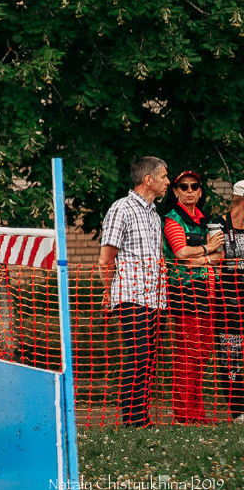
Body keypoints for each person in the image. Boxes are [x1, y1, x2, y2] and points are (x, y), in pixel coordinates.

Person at [98, 156, 170, 427]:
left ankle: (142, 417)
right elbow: (106, 259)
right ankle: (132, 420)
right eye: (163, 176)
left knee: (149, 360)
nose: (167, 181)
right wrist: (110, 292)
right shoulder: (121, 209)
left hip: (156, 299)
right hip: (130, 297)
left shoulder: (154, 214)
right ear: (148, 179)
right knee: (138, 355)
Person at [161, 169, 225, 424]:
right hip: (185, 293)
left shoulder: (204, 220)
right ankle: (184, 414)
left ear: (200, 191)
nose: (189, 191)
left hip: (208, 293)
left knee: (202, 354)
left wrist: (203, 258)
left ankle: (197, 412)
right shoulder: (172, 219)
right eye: (184, 186)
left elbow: (219, 258)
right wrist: (208, 250)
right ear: (175, 191)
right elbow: (180, 252)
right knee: (188, 355)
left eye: (194, 186)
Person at [216, 179, 244, 422]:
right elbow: (213, 260)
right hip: (228, 304)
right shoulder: (220, 226)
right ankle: (237, 411)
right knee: (231, 355)